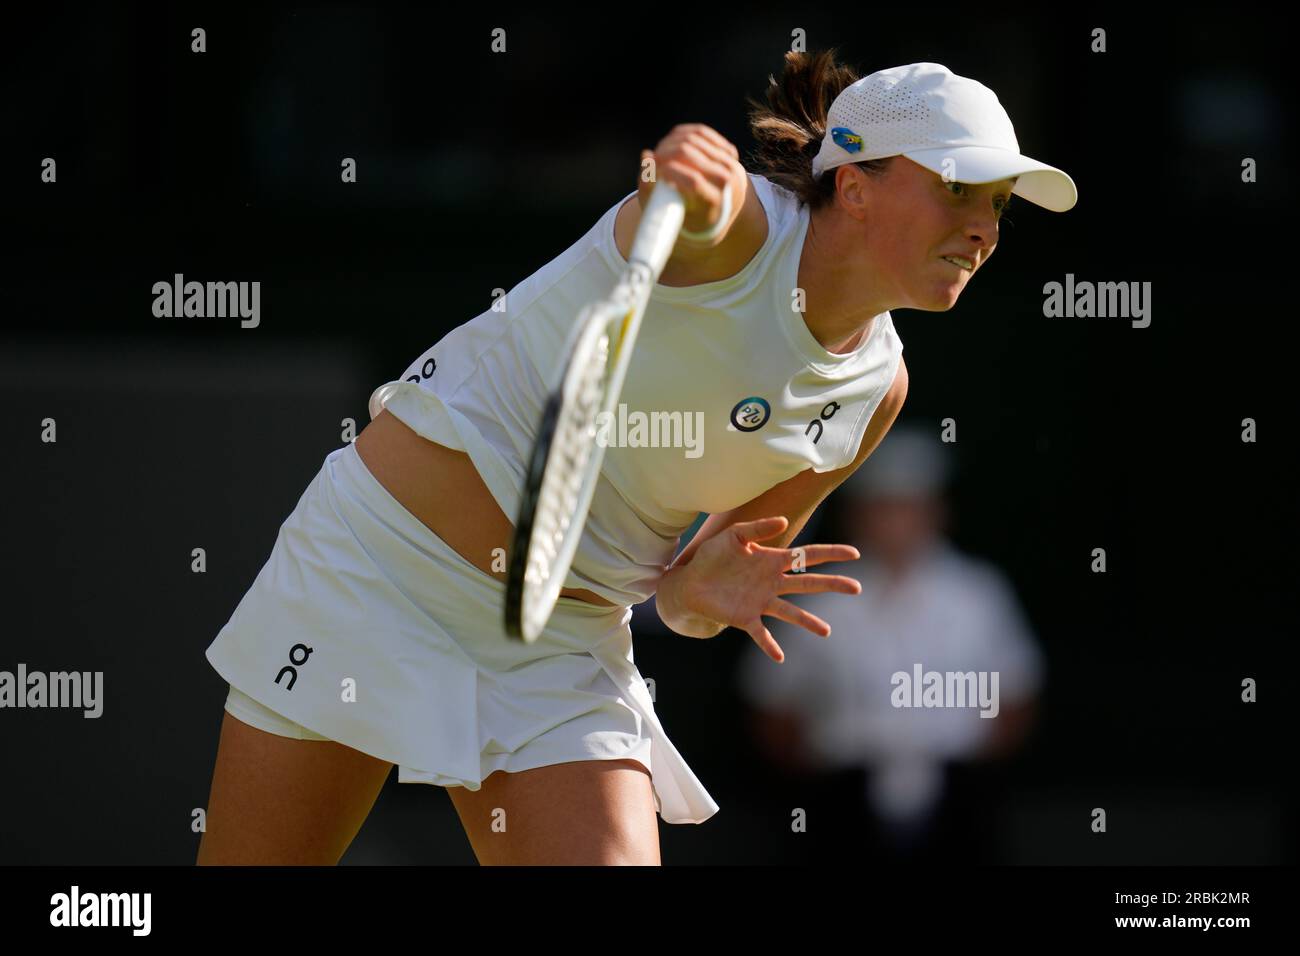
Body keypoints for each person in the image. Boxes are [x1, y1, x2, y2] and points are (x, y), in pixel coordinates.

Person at [196, 50, 1076, 866]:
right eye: (961, 189)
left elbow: (692, 597)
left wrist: (704, 594)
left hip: (560, 645)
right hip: (375, 573)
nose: (983, 228)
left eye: (997, 204)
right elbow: (692, 200)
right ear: (853, 184)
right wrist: (680, 167)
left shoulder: (876, 393)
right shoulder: (735, 234)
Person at [738, 426, 1044, 862]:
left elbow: (1017, 696)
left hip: (958, 803)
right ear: (858, 513)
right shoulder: (816, 592)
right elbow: (772, 705)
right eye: (884, 507)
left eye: (910, 507)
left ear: (936, 510)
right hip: (842, 806)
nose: (897, 521)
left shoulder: (979, 594)